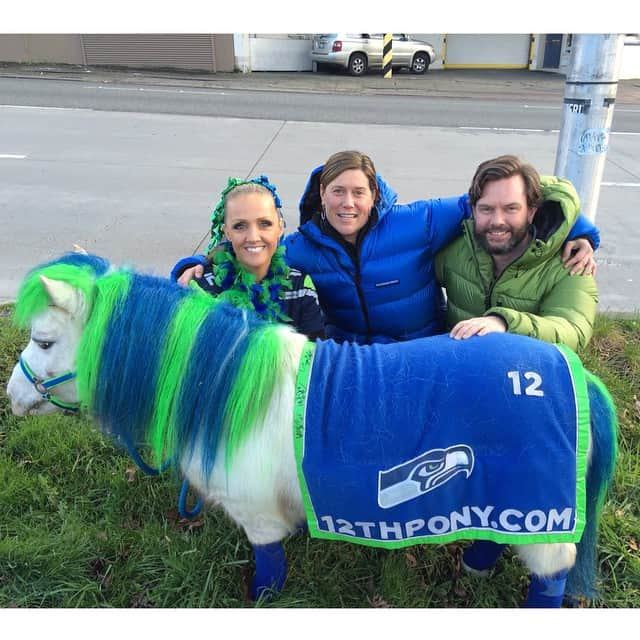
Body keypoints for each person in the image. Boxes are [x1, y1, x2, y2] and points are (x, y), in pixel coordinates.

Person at [174, 150, 598, 344]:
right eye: (338, 192)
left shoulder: (419, 222)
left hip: (421, 351)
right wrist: (197, 262)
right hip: (351, 363)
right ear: (321, 194)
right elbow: (254, 242)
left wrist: (577, 230)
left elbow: (498, 203)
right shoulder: (301, 248)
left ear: (375, 194)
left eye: (359, 192)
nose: (348, 203)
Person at [435, 154, 598, 352]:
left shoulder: (571, 263)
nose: (497, 221)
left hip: (529, 377)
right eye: (486, 209)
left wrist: (505, 322)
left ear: (531, 211)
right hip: (459, 370)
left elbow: (572, 332)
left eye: (511, 209)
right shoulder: (455, 248)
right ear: (473, 210)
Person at [172, 175, 324, 341]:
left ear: (280, 227)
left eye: (265, 223)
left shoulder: (300, 287)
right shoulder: (203, 287)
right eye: (240, 226)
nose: (253, 237)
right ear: (227, 232)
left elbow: (313, 357)